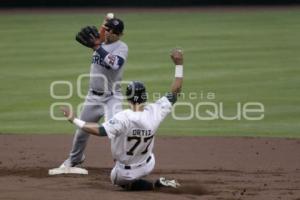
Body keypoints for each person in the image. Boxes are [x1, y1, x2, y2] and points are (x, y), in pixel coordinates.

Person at [61, 49, 184, 190]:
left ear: (128, 97)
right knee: (127, 142)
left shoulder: (123, 117)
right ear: (144, 96)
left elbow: (100, 131)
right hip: (148, 164)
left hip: (125, 171)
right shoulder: (156, 111)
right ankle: (143, 177)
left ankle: (155, 185)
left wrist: (74, 119)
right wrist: (179, 64)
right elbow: (176, 91)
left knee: (116, 178)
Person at [60, 14, 128, 168]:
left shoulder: (122, 47)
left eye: (114, 32)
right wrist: (105, 23)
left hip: (113, 98)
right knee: (82, 131)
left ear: (120, 35)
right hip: (93, 97)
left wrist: (97, 47)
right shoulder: (100, 41)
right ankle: (75, 159)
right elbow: (99, 35)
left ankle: (120, 163)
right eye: (108, 29)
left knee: (116, 132)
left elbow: (115, 64)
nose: (110, 33)